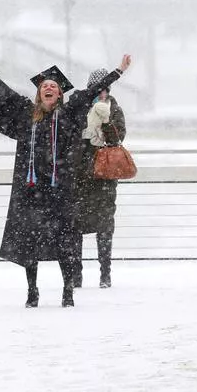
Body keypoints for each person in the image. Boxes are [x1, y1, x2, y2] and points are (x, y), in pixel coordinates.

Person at [0, 51, 131, 308]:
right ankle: (32, 290)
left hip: (60, 190)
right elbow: (3, 91)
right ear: (39, 93)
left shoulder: (67, 115)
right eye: (44, 86)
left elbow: (91, 92)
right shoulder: (26, 115)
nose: (48, 87)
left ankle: (68, 289)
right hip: (31, 190)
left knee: (65, 240)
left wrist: (119, 71)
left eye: (53, 86)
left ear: (59, 94)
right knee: (29, 240)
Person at [69, 68, 128, 289]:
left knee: (105, 224)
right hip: (79, 174)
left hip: (104, 175)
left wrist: (105, 121)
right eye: (98, 88)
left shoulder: (115, 109)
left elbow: (117, 138)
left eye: (105, 88)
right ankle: (76, 274)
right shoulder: (80, 106)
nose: (101, 93)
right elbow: (71, 134)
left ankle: (105, 273)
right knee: (75, 225)